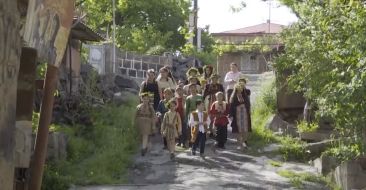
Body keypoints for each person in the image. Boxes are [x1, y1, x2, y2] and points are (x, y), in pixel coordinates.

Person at [229, 78, 252, 150]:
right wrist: (231, 115)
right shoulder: (234, 96)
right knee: (238, 130)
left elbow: (248, 104)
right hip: (237, 115)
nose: (240, 89)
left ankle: (244, 143)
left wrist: (248, 110)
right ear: (236, 88)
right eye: (239, 87)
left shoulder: (245, 94)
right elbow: (231, 106)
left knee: (245, 129)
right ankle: (241, 145)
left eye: (242, 87)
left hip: (245, 114)